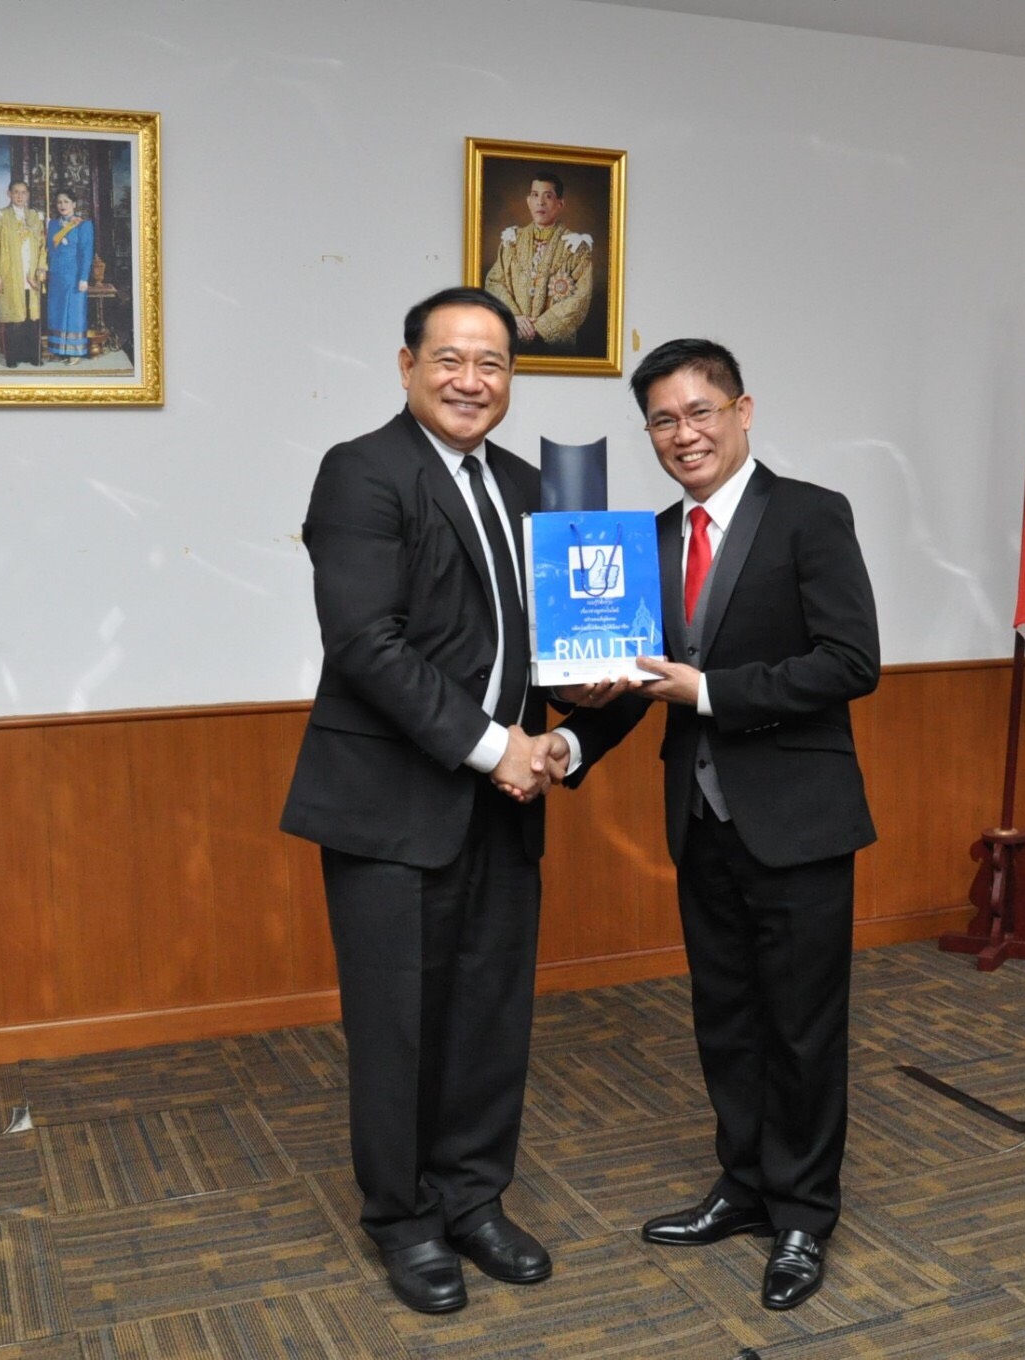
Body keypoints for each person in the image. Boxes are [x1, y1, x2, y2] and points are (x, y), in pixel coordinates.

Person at [553, 338, 879, 1311]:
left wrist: (712, 691)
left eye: (700, 411)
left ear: (743, 411)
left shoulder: (811, 515)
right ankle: (743, 1184)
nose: (682, 434)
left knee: (802, 1029)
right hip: (698, 819)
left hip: (799, 820)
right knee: (726, 1019)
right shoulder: (647, 540)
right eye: (662, 419)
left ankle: (802, 1214)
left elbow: (849, 662)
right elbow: (635, 682)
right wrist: (568, 740)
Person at [281, 286, 574, 1315]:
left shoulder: (533, 487)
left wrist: (583, 701)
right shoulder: (362, 472)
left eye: (491, 363)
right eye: (449, 359)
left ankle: (473, 1198)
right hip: (390, 804)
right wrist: (496, 748)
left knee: (490, 1014)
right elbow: (366, 644)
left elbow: (556, 638)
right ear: (407, 366)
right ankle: (403, 1219)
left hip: (507, 802)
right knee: (399, 1024)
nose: (470, 381)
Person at [482, 170, 594, 351]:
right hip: (513, 342)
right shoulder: (512, 241)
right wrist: (515, 318)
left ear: (560, 203)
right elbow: (494, 282)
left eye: (548, 196)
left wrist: (538, 328)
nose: (540, 202)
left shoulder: (575, 247)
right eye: (535, 195)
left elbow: (580, 299)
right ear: (528, 201)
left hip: (555, 350)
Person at [0, 181, 45, 367]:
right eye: (16, 192)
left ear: (28, 194)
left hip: (31, 273)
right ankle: (13, 357)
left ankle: (33, 355)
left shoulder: (34, 217)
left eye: (23, 192)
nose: (20, 196)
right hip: (10, 273)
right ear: (9, 194)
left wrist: (41, 267)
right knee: (13, 316)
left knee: (32, 316)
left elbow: (43, 245)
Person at [44, 192, 94, 363]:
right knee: (57, 312)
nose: (62, 205)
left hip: (74, 276)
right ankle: (59, 349)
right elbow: (48, 250)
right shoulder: (52, 224)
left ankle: (75, 352)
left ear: (74, 204)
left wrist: (84, 278)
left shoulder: (83, 225)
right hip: (56, 276)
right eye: (59, 202)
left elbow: (86, 253)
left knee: (74, 313)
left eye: (66, 202)